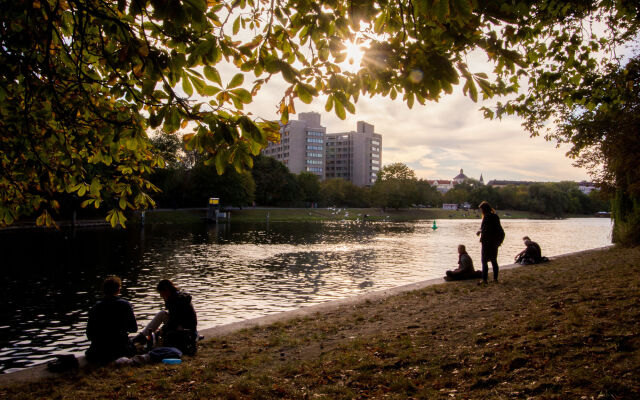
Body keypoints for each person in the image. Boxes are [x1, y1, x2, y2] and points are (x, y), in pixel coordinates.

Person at [135, 279, 198, 355]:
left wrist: (162, 330)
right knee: (162, 314)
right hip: (186, 326)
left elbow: (174, 321)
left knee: (163, 332)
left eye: (161, 293)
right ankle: (143, 335)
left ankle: (142, 337)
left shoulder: (176, 300)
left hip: (186, 329)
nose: (161, 296)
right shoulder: (177, 296)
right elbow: (174, 318)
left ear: (166, 290)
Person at [86, 276, 138, 363]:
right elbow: (133, 328)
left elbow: (89, 335)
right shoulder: (125, 305)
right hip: (120, 350)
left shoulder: (95, 307)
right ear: (118, 290)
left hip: (98, 352)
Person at [476, 201, 505, 284]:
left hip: (486, 242)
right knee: (494, 261)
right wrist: (499, 242)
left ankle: (484, 280)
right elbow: (499, 230)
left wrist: (479, 232)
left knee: (484, 261)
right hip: (494, 242)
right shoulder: (495, 216)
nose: (481, 211)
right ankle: (495, 279)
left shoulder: (486, 217)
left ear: (484, 209)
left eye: (481, 209)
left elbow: (485, 229)